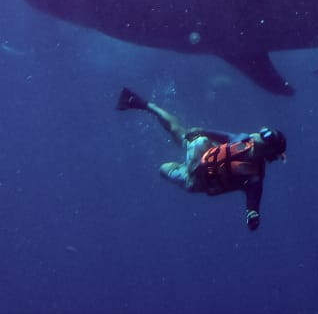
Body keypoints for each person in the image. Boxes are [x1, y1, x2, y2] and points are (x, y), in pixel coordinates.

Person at [116, 86, 286, 231]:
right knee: (185, 133)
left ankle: (181, 167)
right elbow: (225, 136)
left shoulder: (254, 176)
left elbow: (253, 200)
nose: (259, 132)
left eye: (264, 136)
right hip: (203, 155)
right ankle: (143, 104)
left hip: (197, 181)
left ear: (268, 149)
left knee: (163, 168)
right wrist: (202, 131)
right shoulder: (243, 140)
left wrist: (252, 214)